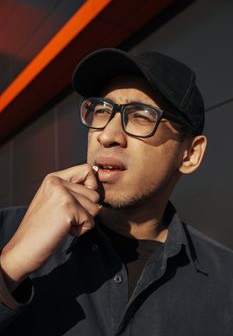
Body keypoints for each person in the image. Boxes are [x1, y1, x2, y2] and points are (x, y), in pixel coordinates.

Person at [0, 48, 232, 335]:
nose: (107, 135)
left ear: (190, 154)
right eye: (101, 111)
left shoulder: (226, 283)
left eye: (141, 117)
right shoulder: (7, 232)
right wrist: (9, 269)